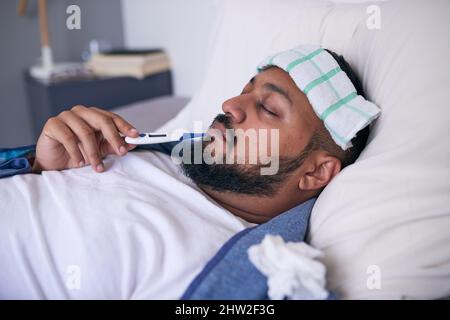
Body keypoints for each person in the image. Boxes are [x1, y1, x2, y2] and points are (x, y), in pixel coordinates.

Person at [0, 46, 379, 298]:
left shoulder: (218, 271)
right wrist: (36, 166)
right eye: (246, 89)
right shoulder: (152, 153)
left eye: (269, 108)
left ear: (314, 174)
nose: (231, 103)